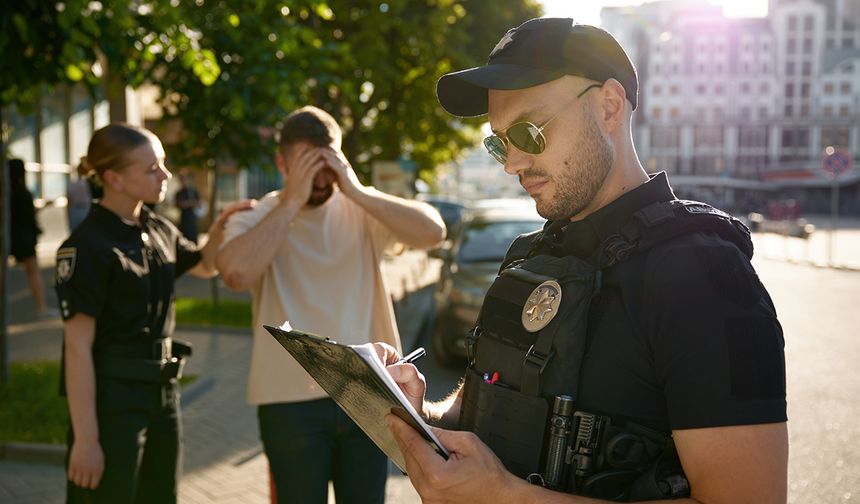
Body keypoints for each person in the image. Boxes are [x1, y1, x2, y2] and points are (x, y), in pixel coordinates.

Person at [381, 18, 788, 503]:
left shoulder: (706, 275)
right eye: (498, 142)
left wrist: (509, 497)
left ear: (609, 107)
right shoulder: (529, 256)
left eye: (529, 133)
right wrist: (421, 415)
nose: (512, 163)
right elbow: (480, 413)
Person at [216, 105, 446, 503]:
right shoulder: (261, 214)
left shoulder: (360, 207)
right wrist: (291, 202)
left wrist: (355, 189)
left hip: (368, 393)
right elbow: (235, 273)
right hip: (288, 404)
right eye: (307, 166)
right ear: (282, 162)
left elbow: (433, 232)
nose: (321, 180)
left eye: (328, 165)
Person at [55, 123, 250, 503]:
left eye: (162, 163)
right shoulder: (87, 246)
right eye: (151, 169)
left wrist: (224, 224)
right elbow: (77, 349)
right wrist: (86, 439)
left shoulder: (157, 226)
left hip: (163, 395)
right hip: (114, 401)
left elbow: (204, 265)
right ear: (113, 178)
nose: (166, 175)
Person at [8, 158, 53, 317]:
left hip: (9, 236)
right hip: (24, 237)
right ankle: (41, 307)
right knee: (33, 271)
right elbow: (27, 216)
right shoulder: (22, 193)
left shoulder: (7, 193)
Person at [174, 172, 201, 243]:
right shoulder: (179, 193)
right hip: (183, 219)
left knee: (193, 239)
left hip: (192, 219)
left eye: (184, 179)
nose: (183, 181)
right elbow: (178, 204)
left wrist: (186, 203)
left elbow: (198, 203)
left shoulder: (193, 191)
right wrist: (190, 203)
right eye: (181, 179)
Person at [66, 162, 93, 231]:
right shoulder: (88, 182)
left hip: (75, 210)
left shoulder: (71, 184)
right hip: (86, 209)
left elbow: (69, 202)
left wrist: (68, 215)